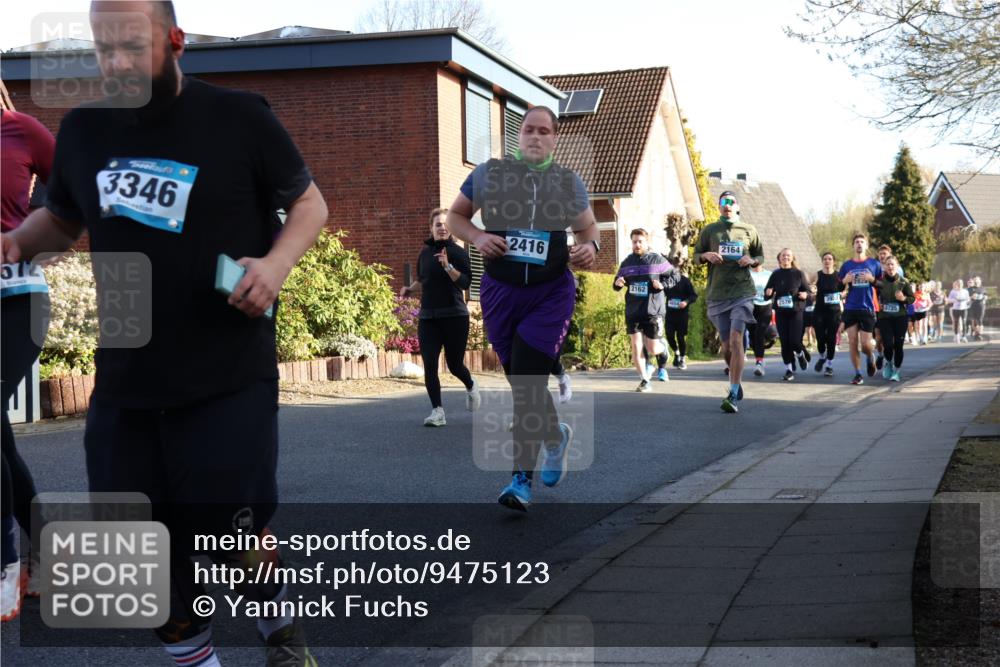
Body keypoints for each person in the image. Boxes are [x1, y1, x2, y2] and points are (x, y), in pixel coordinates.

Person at [2, 2, 329, 664]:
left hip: (227, 367)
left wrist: (275, 263)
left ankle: (279, 629)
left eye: (132, 46)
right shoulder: (86, 133)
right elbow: (63, 222)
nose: (116, 63)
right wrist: (13, 242)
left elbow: (309, 203)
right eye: (104, 49)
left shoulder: (240, 118)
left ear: (175, 41)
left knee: (226, 525)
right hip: (129, 376)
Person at [446, 105, 598, 512]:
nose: (535, 136)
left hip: (550, 293)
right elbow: (455, 216)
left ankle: (519, 481)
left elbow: (588, 227)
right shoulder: (489, 174)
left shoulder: (567, 183)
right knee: (522, 382)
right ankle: (555, 436)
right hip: (500, 290)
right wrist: (477, 236)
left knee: (529, 383)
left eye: (544, 131)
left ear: (554, 139)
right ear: (519, 135)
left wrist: (591, 246)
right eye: (529, 129)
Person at [1, 107, 55, 622]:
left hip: (18, 299)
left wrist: (35, 227)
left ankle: (5, 563)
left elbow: (68, 186)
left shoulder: (20, 129)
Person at [399, 207, 480, 426]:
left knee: (454, 365)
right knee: (430, 365)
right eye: (438, 225)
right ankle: (438, 411)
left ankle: (471, 385)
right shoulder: (425, 253)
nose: (442, 228)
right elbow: (424, 278)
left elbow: (465, 283)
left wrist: (448, 267)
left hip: (455, 316)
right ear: (431, 228)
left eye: (446, 225)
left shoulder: (460, 253)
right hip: (428, 317)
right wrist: (410, 289)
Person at [693, 190, 764, 413]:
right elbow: (696, 255)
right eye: (723, 202)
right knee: (726, 348)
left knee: (736, 339)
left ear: (738, 206)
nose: (727, 205)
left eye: (731, 202)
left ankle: (733, 392)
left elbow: (760, 256)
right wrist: (706, 256)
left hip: (742, 292)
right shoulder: (710, 230)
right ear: (719, 206)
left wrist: (751, 260)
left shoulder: (749, 230)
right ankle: (736, 377)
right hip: (718, 293)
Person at [613, 229, 674, 391]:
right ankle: (644, 380)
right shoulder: (627, 262)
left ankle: (663, 349)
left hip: (653, 311)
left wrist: (662, 285)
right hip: (633, 311)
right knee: (636, 345)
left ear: (646, 242)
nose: (637, 244)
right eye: (634, 241)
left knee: (653, 347)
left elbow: (675, 276)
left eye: (640, 241)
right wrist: (618, 282)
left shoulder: (657, 260)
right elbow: (617, 282)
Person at [838, 233, 882, 385]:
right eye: (856, 242)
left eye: (862, 242)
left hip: (867, 307)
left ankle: (870, 357)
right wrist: (845, 281)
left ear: (866, 246)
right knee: (851, 341)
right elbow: (837, 287)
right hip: (850, 307)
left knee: (865, 344)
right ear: (853, 246)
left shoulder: (874, 264)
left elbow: (882, 285)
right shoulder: (846, 266)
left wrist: (872, 280)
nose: (859, 244)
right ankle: (858, 374)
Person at [764, 248, 811, 381]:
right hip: (781, 312)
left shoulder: (798, 274)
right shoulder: (776, 274)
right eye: (783, 256)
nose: (785, 258)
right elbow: (767, 293)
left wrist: (805, 295)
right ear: (779, 258)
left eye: (788, 256)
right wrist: (768, 294)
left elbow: (808, 292)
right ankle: (789, 370)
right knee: (784, 342)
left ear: (792, 258)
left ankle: (800, 354)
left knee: (795, 341)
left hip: (796, 311)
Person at [875, 256, 914, 382]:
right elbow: (873, 297)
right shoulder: (880, 282)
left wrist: (903, 299)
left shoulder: (903, 282)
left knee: (898, 345)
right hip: (884, 317)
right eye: (888, 264)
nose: (890, 267)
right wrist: (878, 305)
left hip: (900, 317)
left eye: (892, 264)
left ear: (897, 266)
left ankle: (897, 371)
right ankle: (889, 363)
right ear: (885, 266)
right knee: (887, 344)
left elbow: (912, 298)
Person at [813, 251, 843, 377]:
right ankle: (822, 356)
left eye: (830, 259)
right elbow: (811, 285)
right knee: (820, 338)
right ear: (822, 261)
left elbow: (845, 288)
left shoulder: (839, 276)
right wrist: (812, 289)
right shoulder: (817, 275)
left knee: (831, 339)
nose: (827, 261)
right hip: (819, 311)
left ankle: (829, 365)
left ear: (833, 261)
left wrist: (844, 294)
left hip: (834, 312)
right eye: (825, 259)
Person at [663, 265, 698, 371]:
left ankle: (682, 359)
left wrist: (686, 302)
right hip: (669, 313)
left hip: (682, 314)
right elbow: (661, 293)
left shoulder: (685, 281)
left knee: (680, 337)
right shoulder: (667, 281)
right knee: (669, 335)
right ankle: (676, 352)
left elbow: (693, 295)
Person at [748, 262, 773, 377]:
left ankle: (759, 362)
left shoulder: (769, 274)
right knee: (752, 336)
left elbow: (776, 288)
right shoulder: (746, 273)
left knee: (760, 332)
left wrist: (772, 292)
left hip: (765, 306)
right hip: (750, 307)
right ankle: (759, 355)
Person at [947, 279, 971, 343]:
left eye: (961, 283)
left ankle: (964, 336)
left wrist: (965, 300)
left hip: (964, 309)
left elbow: (968, 299)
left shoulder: (965, 291)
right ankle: (957, 336)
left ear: (962, 284)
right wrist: (955, 300)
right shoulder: (953, 291)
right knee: (956, 323)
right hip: (956, 309)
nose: (960, 285)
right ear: (956, 284)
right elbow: (949, 299)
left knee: (964, 322)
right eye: (958, 283)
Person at [968, 276, 988, 341]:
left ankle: (979, 334)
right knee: (974, 321)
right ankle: (976, 333)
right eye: (975, 280)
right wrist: (971, 297)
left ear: (980, 281)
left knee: (980, 320)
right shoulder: (970, 288)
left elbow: (986, 295)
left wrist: (985, 297)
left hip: (981, 305)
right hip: (973, 306)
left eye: (977, 280)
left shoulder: (983, 288)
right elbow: (968, 297)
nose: (976, 281)